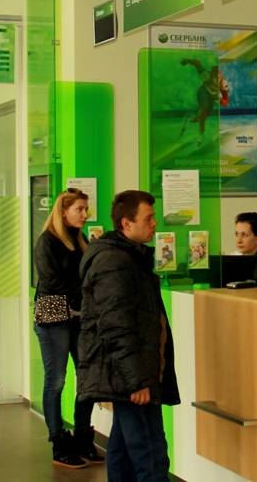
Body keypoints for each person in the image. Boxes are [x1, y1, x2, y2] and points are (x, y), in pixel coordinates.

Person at [78, 190, 180, 482]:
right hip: (131, 378)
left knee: (123, 451)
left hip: (131, 373)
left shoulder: (129, 257)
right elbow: (116, 326)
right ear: (126, 223)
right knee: (151, 454)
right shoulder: (115, 262)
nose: (154, 223)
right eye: (148, 218)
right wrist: (137, 381)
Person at [33, 187, 104, 469]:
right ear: (64, 212)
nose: (85, 215)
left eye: (86, 209)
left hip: (79, 317)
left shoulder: (80, 239)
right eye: (80, 209)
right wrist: (83, 290)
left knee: (87, 377)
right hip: (54, 318)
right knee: (56, 380)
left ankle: (83, 437)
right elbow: (52, 282)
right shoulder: (47, 241)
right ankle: (58, 442)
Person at [179, 57, 230, 146]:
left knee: (201, 117)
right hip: (203, 92)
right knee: (204, 110)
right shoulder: (206, 75)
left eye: (218, 78)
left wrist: (221, 98)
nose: (216, 80)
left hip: (212, 97)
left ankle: (190, 119)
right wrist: (187, 61)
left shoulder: (223, 84)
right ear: (212, 75)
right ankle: (201, 136)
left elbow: (225, 102)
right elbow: (197, 62)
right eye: (215, 77)